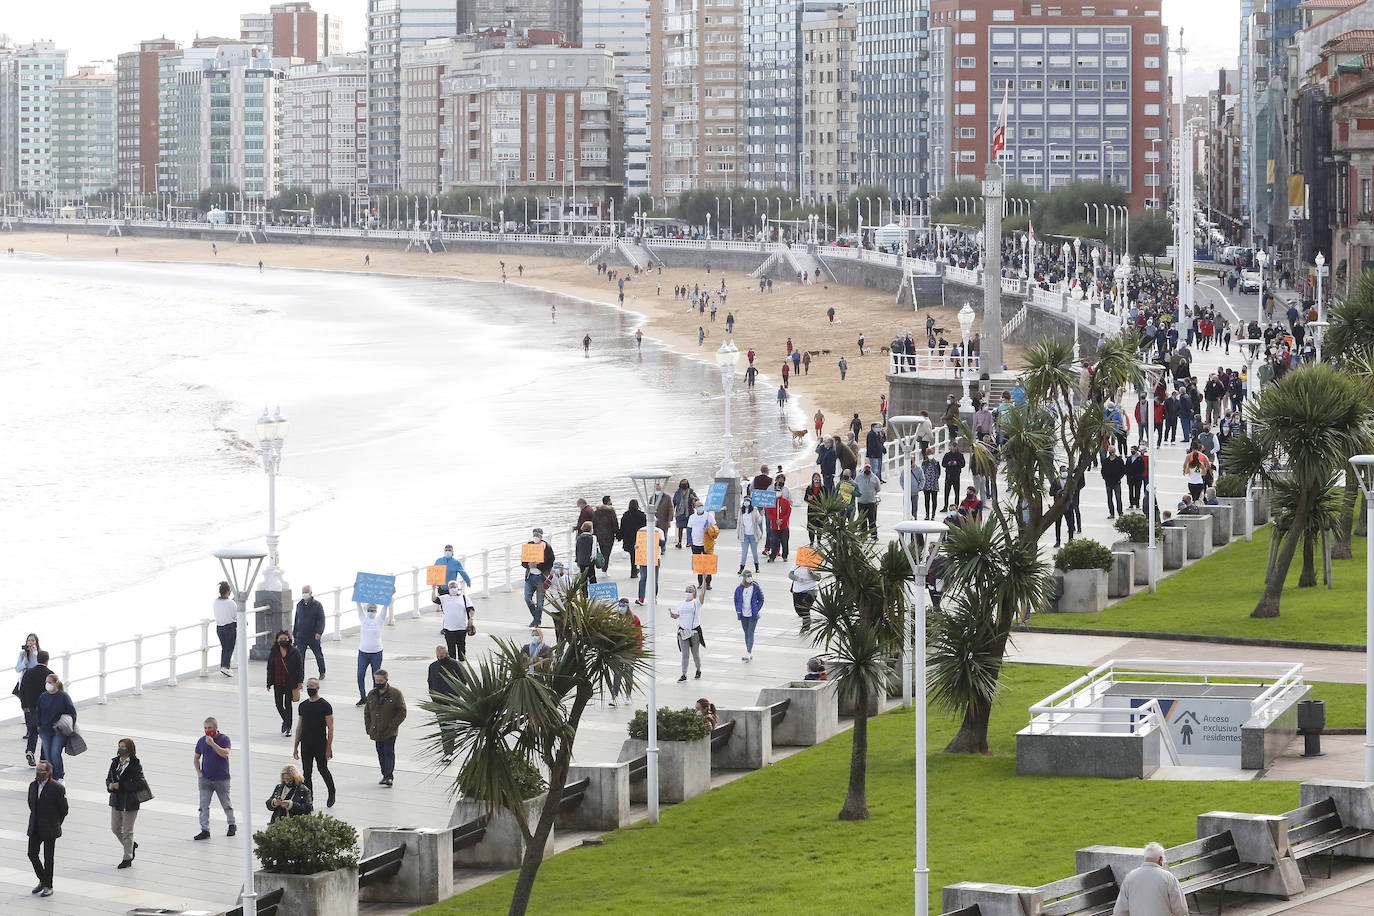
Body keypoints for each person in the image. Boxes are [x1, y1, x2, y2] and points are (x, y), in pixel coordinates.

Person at [1112, 842, 1188, 916]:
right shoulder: (1168, 878)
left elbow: (1119, 911)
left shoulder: (1130, 877)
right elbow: (1181, 910)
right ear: (1160, 859)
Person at [293, 677, 336, 806]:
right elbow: (299, 726)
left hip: (320, 743)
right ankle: (309, 800)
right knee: (307, 772)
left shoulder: (325, 705)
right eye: (308, 686)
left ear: (317, 688)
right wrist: (296, 746)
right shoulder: (303, 705)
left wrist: (329, 747)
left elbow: (331, 728)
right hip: (306, 743)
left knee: (322, 769)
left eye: (312, 686)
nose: (309, 688)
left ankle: (332, 791)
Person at [27, 760, 67, 897]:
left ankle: (48, 885)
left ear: (48, 772)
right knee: (32, 854)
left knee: (48, 858)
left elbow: (64, 810)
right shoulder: (32, 786)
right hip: (35, 826)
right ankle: (43, 880)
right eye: (37, 770)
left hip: (50, 827)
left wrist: (56, 823)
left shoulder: (57, 788)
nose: (38, 773)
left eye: (41, 771)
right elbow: (31, 804)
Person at [193, 717, 235, 840]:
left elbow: (225, 753)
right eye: (205, 728)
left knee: (226, 803)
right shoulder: (201, 741)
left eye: (210, 728)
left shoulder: (224, 739)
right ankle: (205, 829)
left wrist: (213, 744)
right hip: (205, 779)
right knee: (203, 806)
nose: (207, 730)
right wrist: (199, 772)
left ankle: (231, 824)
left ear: (216, 728)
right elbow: (196, 757)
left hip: (221, 778)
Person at [106, 737, 145, 868]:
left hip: (130, 801)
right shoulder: (115, 762)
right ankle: (131, 845)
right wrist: (110, 785)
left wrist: (121, 786)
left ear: (129, 749)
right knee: (115, 828)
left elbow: (140, 783)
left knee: (128, 830)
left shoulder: (135, 764)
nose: (120, 749)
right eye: (119, 746)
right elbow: (108, 778)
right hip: (116, 800)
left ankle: (127, 857)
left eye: (123, 747)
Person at [363, 670, 406, 787]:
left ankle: (389, 776)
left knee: (388, 752)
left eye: (380, 681)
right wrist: (368, 727)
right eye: (376, 681)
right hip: (376, 730)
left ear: (386, 680)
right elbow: (367, 712)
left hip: (389, 731)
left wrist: (392, 726)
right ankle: (384, 774)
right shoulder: (372, 694)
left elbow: (402, 712)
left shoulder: (396, 693)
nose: (378, 683)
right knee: (380, 752)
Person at [427, 646, 465, 761]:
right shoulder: (433, 666)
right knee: (443, 728)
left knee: (450, 727)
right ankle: (447, 752)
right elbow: (430, 682)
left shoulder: (455, 665)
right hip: (438, 702)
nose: (440, 658)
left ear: (447, 654)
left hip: (451, 702)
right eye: (438, 657)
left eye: (442, 656)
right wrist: (433, 697)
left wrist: (455, 694)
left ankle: (449, 751)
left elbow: (463, 680)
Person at [36, 673, 75, 781]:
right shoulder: (43, 696)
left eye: (49, 682)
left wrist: (69, 726)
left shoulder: (63, 697)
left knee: (55, 753)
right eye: (46, 682)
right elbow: (38, 711)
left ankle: (59, 777)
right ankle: (50, 776)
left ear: (55, 683)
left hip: (59, 731)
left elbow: (72, 713)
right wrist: (38, 725)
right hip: (45, 730)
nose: (47, 684)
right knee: (48, 756)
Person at [265, 630, 304, 737]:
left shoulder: (294, 651)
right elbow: (270, 667)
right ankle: (286, 722)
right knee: (278, 704)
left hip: (290, 683)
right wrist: (269, 682)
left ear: (289, 640)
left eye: (285, 639)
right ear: (277, 640)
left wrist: (300, 681)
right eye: (281, 639)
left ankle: (288, 727)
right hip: (277, 682)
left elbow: (300, 668)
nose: (283, 641)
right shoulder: (274, 651)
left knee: (288, 704)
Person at [19, 649, 51, 768]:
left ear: (37, 659)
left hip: (32, 706)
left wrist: (24, 705)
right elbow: (53, 690)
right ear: (47, 661)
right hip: (46, 708)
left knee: (33, 730)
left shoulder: (29, 672)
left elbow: (22, 689)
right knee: (45, 732)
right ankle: (43, 758)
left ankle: (30, 750)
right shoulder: (50, 673)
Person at [608, 599, 642, 707]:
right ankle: (614, 697)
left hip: (630, 651)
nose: (621, 608)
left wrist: (637, 650)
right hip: (618, 651)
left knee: (628, 673)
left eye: (623, 606)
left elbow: (638, 636)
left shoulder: (634, 619)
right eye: (620, 606)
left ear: (627, 607)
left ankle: (628, 695)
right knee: (617, 674)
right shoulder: (615, 618)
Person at [521, 528, 555, 626]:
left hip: (541, 577)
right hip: (530, 577)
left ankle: (537, 622)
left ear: (541, 536)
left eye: (538, 535)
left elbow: (550, 562)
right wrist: (528, 565)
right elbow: (523, 562)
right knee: (527, 598)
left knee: (540, 602)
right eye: (534, 535)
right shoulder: (529, 545)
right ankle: (536, 618)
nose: (536, 537)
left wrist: (538, 566)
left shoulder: (547, 547)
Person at [671, 585, 704, 682]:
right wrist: (673, 615)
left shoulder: (696, 603)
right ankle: (684, 674)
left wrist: (704, 581)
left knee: (695, 653)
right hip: (683, 631)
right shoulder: (681, 603)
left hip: (694, 632)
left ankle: (698, 670)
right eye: (687, 591)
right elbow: (677, 615)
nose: (688, 593)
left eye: (690, 591)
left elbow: (703, 594)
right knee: (685, 654)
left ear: (694, 593)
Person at [292, 586, 326, 679]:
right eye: (303, 592)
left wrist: (319, 632)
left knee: (318, 655)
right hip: (301, 636)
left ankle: (322, 671)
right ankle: (300, 676)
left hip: (313, 636)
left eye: (306, 592)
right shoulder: (299, 605)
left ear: (311, 593)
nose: (305, 594)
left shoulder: (317, 605)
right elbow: (296, 620)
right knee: (300, 657)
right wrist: (294, 634)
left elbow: (321, 619)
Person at [355, 603, 386, 706]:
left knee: (375, 677)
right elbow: (358, 607)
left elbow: (385, 606)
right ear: (367, 611)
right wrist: (356, 591)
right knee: (360, 675)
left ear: (376, 611)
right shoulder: (363, 619)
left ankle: (374, 697)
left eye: (373, 610)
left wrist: (390, 594)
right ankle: (363, 696)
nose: (371, 612)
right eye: (369, 610)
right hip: (363, 652)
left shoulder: (379, 620)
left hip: (376, 653)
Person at [438, 582, 474, 661]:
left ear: (458, 588)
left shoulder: (464, 598)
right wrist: (433, 589)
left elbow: (470, 609)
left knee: (461, 648)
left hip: (461, 627)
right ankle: (452, 667)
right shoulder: (444, 598)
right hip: (449, 628)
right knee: (451, 649)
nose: (453, 588)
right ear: (449, 589)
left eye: (454, 587)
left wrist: (471, 618)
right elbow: (434, 599)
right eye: (451, 587)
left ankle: (462, 666)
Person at [733, 570, 764, 661]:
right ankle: (748, 650)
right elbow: (736, 600)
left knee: (750, 633)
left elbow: (761, 599)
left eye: (751, 576)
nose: (750, 578)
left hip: (753, 615)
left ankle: (749, 652)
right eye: (748, 576)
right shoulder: (739, 589)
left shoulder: (756, 587)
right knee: (746, 633)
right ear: (744, 578)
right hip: (743, 614)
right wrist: (738, 610)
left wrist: (756, 609)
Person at [687, 505, 717, 591]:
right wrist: (690, 542)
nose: (700, 507)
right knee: (698, 564)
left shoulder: (709, 516)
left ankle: (708, 582)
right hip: (695, 544)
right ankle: (700, 582)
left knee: (708, 563)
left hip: (706, 543)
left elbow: (715, 527)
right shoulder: (692, 517)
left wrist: (710, 529)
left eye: (701, 506)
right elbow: (689, 529)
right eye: (698, 506)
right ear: (695, 508)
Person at [213, 581, 236, 677]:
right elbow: (236, 614)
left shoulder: (215, 602)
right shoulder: (231, 603)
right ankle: (225, 667)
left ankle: (224, 666)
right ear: (228, 591)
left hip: (219, 627)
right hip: (229, 627)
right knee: (230, 648)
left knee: (224, 648)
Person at [593, 496, 619, 573]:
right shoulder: (611, 512)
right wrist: (617, 534)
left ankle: (603, 567)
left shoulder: (596, 512)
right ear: (608, 502)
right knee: (607, 553)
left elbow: (594, 524)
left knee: (603, 551)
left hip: (599, 536)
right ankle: (604, 570)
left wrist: (595, 535)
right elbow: (615, 524)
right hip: (609, 536)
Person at [855, 463, 882, 536]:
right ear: (864, 469)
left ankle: (873, 535)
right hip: (861, 502)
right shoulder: (858, 477)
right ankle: (863, 535)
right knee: (862, 520)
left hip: (871, 502)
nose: (867, 470)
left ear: (871, 469)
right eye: (866, 468)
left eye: (868, 468)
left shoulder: (875, 478)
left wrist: (871, 493)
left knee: (872, 519)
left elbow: (878, 489)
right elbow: (855, 486)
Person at [737, 497, 762, 572]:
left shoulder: (754, 510)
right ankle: (741, 567)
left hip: (753, 535)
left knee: (754, 553)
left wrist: (761, 515)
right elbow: (739, 523)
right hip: (744, 535)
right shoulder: (741, 511)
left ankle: (757, 566)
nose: (746, 502)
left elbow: (759, 521)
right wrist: (738, 533)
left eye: (748, 501)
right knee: (744, 553)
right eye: (745, 501)